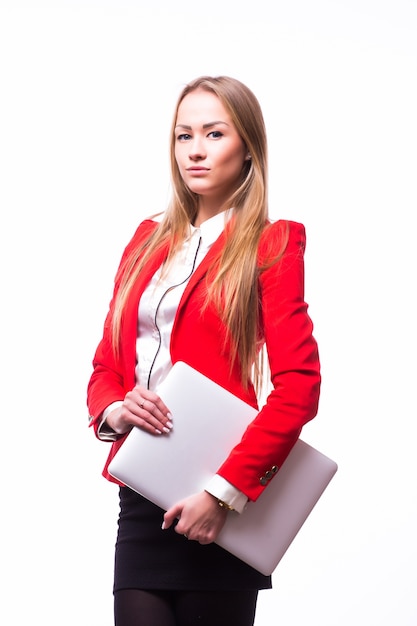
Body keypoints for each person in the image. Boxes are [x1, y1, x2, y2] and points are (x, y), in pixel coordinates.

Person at [87, 75, 321, 626]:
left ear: (247, 148)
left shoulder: (272, 243)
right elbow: (105, 364)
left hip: (219, 496)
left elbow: (300, 388)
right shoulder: (145, 240)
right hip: (143, 491)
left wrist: (223, 495)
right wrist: (115, 409)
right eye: (183, 135)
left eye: (214, 134)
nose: (195, 150)